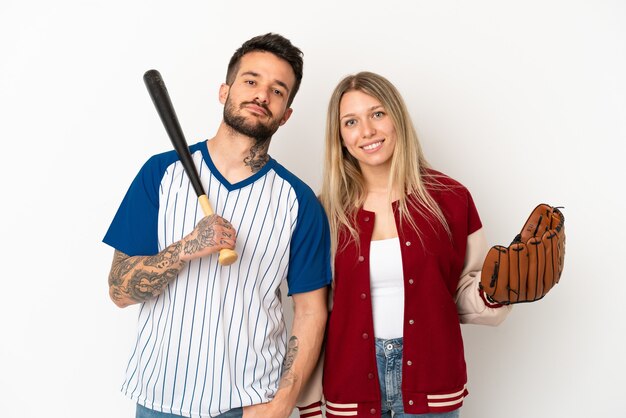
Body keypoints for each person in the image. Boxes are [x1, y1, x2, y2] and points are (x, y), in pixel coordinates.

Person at [103, 33, 331, 418]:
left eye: (277, 90)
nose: (262, 95)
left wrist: (281, 405)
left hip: (249, 403)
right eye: (251, 81)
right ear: (224, 91)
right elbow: (119, 291)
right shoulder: (160, 173)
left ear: (286, 113)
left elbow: (311, 312)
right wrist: (186, 248)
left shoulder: (299, 201)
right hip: (161, 398)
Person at [297, 72, 512, 418]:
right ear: (340, 136)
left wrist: (499, 291)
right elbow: (312, 313)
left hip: (432, 383)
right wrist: (307, 403)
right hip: (350, 388)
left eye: (377, 114)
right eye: (351, 121)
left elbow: (464, 293)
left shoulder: (452, 199)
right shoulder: (325, 212)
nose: (367, 131)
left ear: (398, 118)